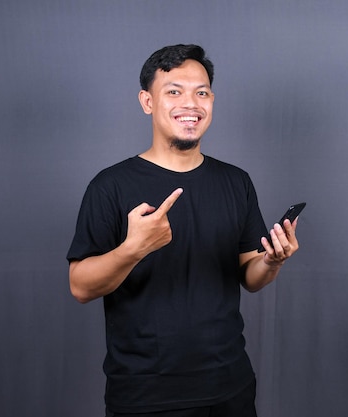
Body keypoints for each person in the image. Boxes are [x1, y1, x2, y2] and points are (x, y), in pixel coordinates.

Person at [66, 44, 301, 417]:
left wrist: (272, 261)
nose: (190, 104)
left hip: (230, 387)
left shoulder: (235, 182)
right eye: (173, 91)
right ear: (147, 101)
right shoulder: (110, 186)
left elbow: (250, 277)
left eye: (201, 92)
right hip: (146, 394)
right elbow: (80, 286)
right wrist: (133, 248)